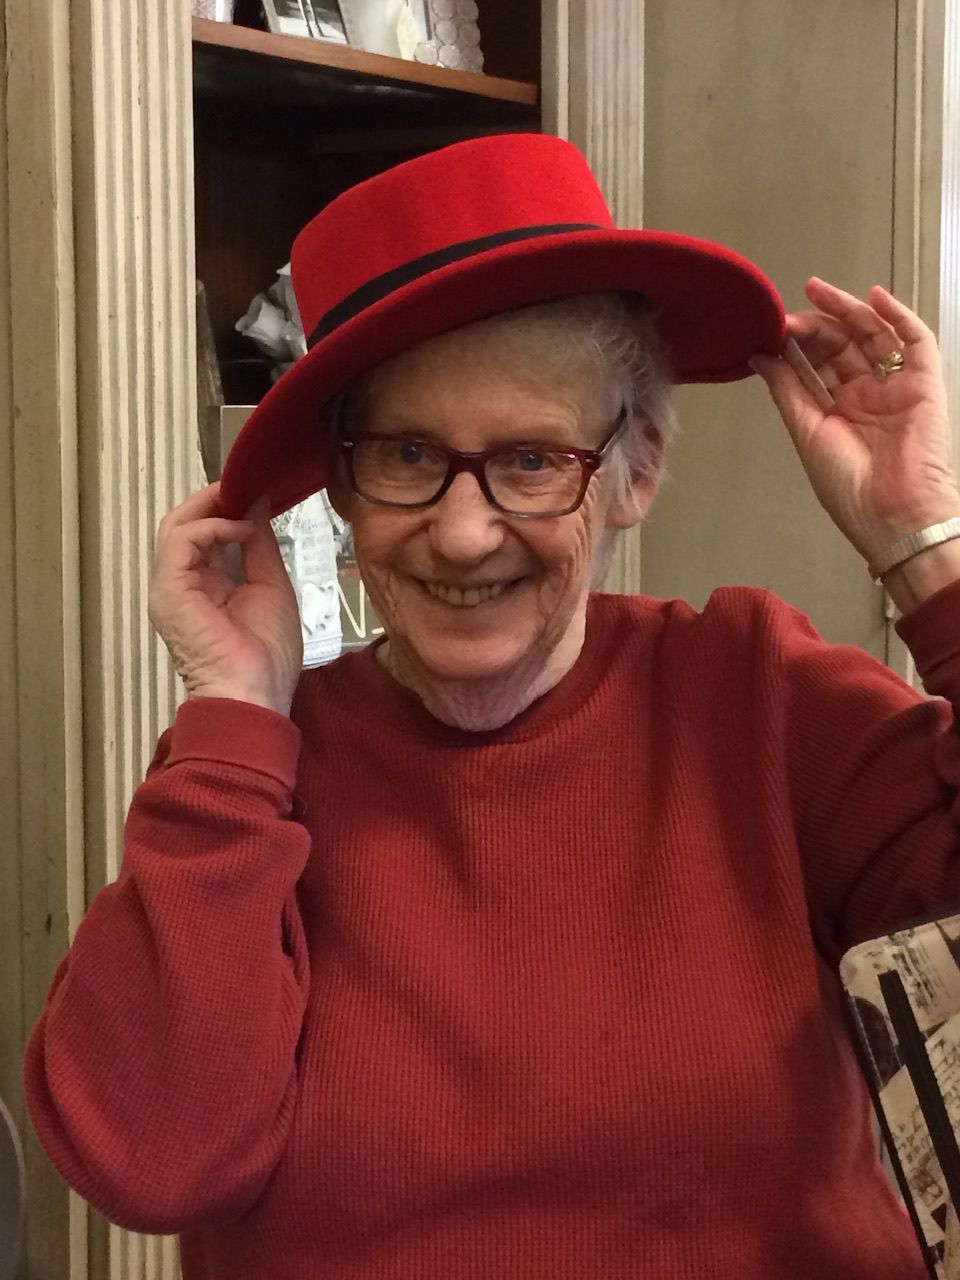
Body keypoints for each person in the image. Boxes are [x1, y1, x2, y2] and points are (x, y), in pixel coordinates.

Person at [22, 133, 960, 1279]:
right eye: (408, 453)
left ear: (636, 467)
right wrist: (231, 711)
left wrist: (924, 547)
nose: (464, 533)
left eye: (530, 461)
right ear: (342, 482)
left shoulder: (754, 693)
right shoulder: (251, 775)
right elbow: (151, 1164)